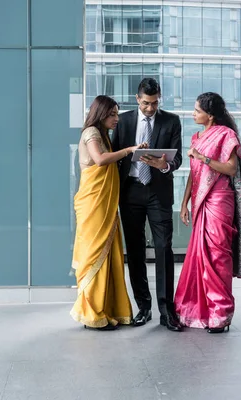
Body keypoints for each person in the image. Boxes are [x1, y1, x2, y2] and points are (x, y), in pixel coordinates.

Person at [175, 92, 241, 333]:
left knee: (218, 256)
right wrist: (184, 202)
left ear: (210, 115)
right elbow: (193, 172)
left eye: (197, 110)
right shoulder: (196, 137)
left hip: (220, 200)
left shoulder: (227, 135)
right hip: (200, 200)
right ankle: (199, 310)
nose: (193, 114)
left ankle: (221, 314)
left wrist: (202, 157)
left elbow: (230, 169)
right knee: (200, 257)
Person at [111, 78, 184, 332]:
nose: (150, 108)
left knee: (164, 248)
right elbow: (115, 155)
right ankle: (144, 307)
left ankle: (167, 311)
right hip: (130, 190)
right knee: (136, 250)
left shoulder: (171, 121)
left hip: (158, 192)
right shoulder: (125, 120)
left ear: (159, 98)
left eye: (154, 103)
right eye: (145, 103)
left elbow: (178, 159)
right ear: (137, 98)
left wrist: (163, 165)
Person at [70, 95, 148, 330]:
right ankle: (92, 313)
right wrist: (129, 150)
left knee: (108, 252)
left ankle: (108, 309)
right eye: (112, 114)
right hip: (94, 203)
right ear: (101, 114)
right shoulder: (91, 133)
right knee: (95, 253)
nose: (116, 118)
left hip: (105, 204)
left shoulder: (103, 134)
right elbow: (100, 160)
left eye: (116, 113)